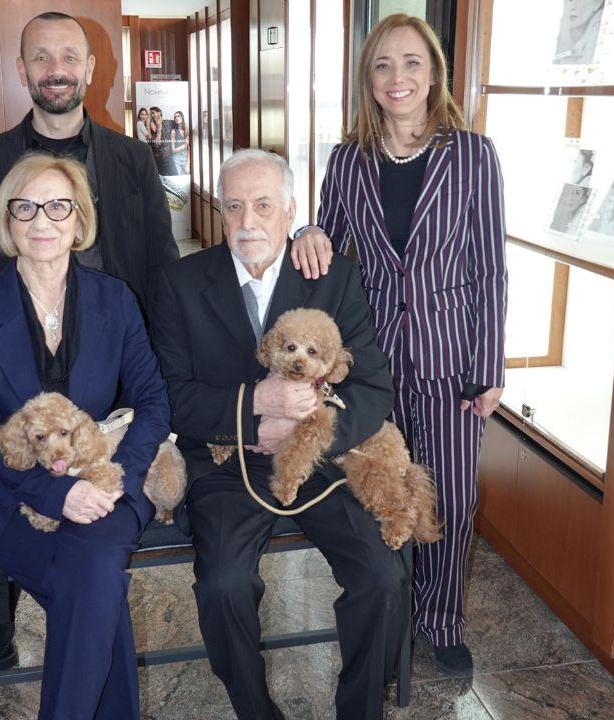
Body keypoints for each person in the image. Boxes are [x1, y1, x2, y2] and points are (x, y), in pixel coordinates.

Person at [0, 10, 178, 699]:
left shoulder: (129, 160)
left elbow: (160, 264)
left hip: (110, 393)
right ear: (23, 70)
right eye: (42, 57)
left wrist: (147, 372)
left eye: (70, 56)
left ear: (91, 69)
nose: (57, 69)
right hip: (16, 384)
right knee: (91, 583)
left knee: (87, 576)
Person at [149, 149, 406, 720]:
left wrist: (309, 424)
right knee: (223, 586)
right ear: (218, 211)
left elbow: (372, 389)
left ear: (290, 211)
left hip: (323, 465)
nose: (248, 222)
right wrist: (254, 408)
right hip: (225, 466)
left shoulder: (334, 276)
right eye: (234, 206)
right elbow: (171, 395)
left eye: (264, 206)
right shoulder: (180, 282)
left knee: (382, 579)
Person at [288, 13, 506, 679]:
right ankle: (387, 611)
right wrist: (302, 229)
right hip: (371, 361)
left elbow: (490, 264)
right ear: (368, 79)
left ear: (434, 72)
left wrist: (489, 367)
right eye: (383, 65)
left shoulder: (471, 155)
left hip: (451, 361)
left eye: (412, 63)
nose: (398, 77)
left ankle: (441, 622)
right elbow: (322, 242)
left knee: (453, 498)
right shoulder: (348, 158)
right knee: (380, 489)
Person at [0, 153, 170, 718]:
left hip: (104, 482)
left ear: (79, 219)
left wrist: (116, 484)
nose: (42, 220)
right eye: (25, 207)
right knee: (94, 587)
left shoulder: (115, 299)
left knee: (90, 578)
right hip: (10, 496)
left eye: (57, 206)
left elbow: (153, 403)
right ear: (8, 222)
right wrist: (54, 494)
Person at [169, 110, 190, 176]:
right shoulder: (173, 132)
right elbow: (173, 150)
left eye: (178, 116)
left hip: (185, 159)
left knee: (189, 178)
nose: (176, 118)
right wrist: (184, 145)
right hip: (176, 159)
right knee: (179, 178)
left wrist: (188, 164)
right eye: (175, 117)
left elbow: (189, 149)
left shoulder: (187, 130)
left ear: (182, 117)